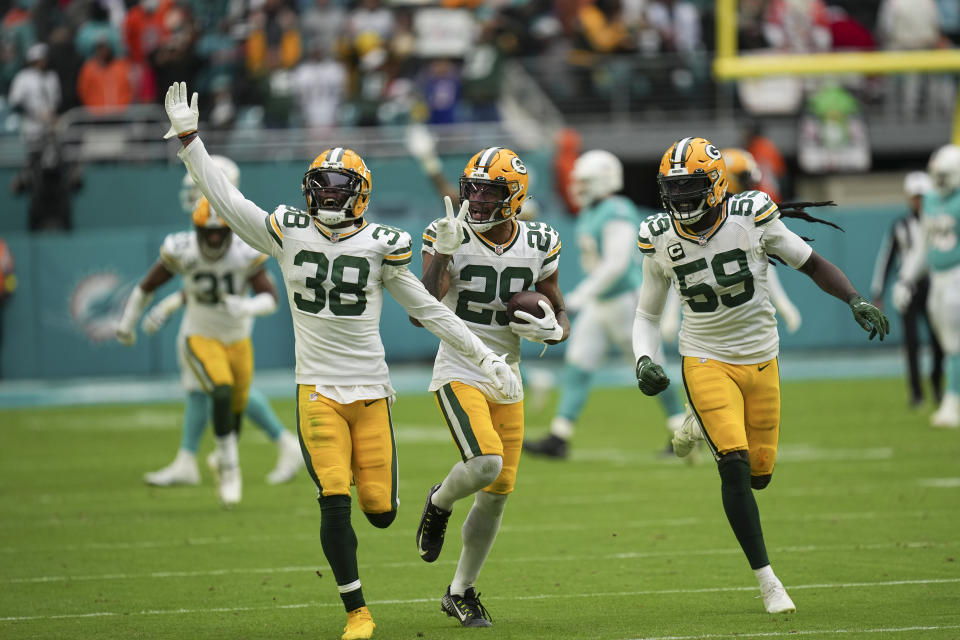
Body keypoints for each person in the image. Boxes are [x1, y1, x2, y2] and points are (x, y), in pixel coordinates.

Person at [162, 81, 520, 640]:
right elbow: (228, 202)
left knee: (380, 511)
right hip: (318, 390)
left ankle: (402, 500)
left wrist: (485, 356)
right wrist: (190, 140)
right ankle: (358, 612)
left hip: (371, 391)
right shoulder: (287, 232)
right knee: (333, 500)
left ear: (360, 193)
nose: (327, 197)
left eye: (338, 188)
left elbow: (429, 309)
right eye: (321, 187)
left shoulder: (382, 244)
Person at [632, 136, 888, 614]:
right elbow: (647, 316)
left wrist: (853, 297)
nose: (680, 199)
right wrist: (645, 359)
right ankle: (769, 582)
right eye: (673, 189)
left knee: (759, 476)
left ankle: (696, 425)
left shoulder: (751, 216)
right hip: (704, 357)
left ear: (714, 185)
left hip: (762, 356)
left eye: (689, 188)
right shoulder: (660, 237)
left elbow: (811, 263)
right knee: (732, 463)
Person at [414, 147, 569, 627]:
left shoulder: (541, 240)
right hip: (459, 368)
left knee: (497, 492)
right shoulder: (449, 235)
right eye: (473, 188)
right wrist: (443, 249)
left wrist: (556, 331)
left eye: (490, 191)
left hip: (509, 375)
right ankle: (439, 501)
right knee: (484, 462)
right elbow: (423, 311)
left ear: (516, 197)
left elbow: (558, 308)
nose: (477, 200)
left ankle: (460, 591)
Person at [136, 156, 303, 489]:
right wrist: (171, 303)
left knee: (222, 388)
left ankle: (281, 442)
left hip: (228, 319)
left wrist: (169, 304)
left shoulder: (229, 230)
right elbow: (202, 280)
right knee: (204, 388)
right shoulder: (209, 227)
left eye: (198, 183)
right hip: (211, 314)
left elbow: (223, 280)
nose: (192, 191)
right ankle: (187, 459)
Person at [117, 190, 280, 506]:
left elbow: (271, 299)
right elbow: (147, 286)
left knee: (233, 411)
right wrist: (127, 322)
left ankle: (222, 459)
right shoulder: (183, 250)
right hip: (201, 335)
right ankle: (231, 467)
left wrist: (246, 308)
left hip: (237, 339)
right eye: (210, 232)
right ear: (197, 230)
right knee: (220, 390)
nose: (216, 239)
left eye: (222, 232)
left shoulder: (244, 251)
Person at [523, 149, 685, 460]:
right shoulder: (591, 211)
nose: (579, 187)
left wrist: (582, 293)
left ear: (603, 180)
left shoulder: (617, 210)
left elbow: (616, 264)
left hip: (626, 301)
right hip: (602, 303)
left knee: (651, 369)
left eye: (585, 181)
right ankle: (560, 436)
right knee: (579, 365)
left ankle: (681, 429)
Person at [897, 144, 960, 428]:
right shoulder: (933, 200)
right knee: (948, 344)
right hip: (937, 278)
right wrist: (906, 279)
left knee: (956, 343)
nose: (941, 180)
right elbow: (922, 246)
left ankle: (951, 401)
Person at [872, 171, 944, 409]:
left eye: (922, 196)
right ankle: (916, 393)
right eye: (915, 196)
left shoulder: (938, 221)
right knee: (911, 342)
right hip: (908, 287)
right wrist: (878, 291)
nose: (919, 201)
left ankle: (937, 385)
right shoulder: (901, 225)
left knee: (939, 341)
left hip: (933, 285)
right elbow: (887, 259)